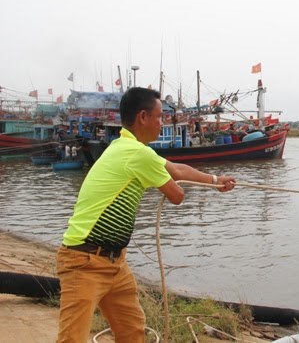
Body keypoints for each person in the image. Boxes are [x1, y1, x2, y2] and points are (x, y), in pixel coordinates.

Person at [56, 87, 236, 343]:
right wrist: (175, 183)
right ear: (143, 117)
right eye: (160, 117)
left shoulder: (124, 146)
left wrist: (215, 180)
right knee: (71, 339)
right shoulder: (137, 153)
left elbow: (176, 169)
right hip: (84, 261)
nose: (162, 123)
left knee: (132, 332)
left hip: (114, 263)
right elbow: (177, 195)